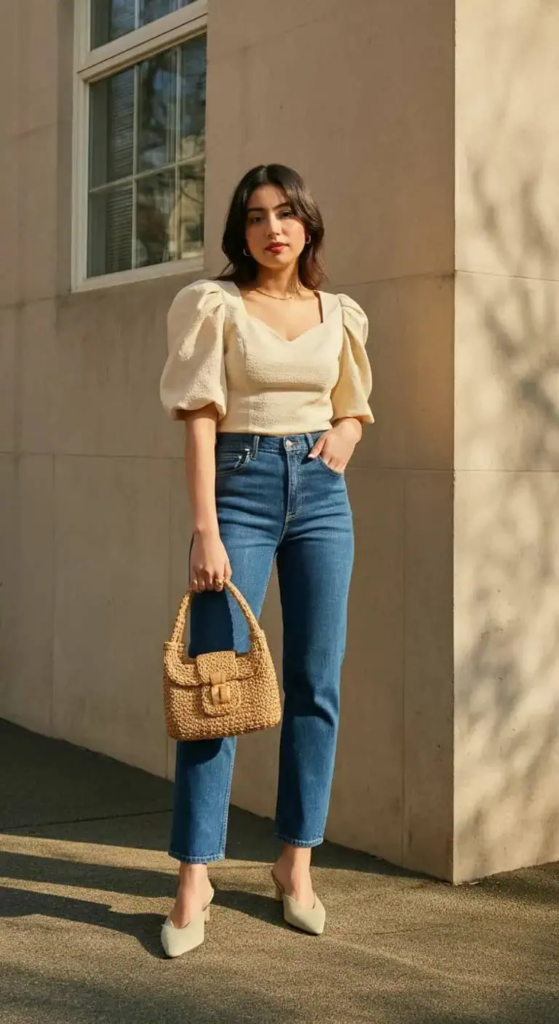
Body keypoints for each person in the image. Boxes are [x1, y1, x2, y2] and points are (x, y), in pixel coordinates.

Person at [159, 163, 374, 957]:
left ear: (308, 224)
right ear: (238, 232)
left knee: (317, 683)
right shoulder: (214, 305)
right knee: (215, 682)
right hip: (240, 491)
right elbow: (198, 417)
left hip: (320, 497)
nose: (271, 228)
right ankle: (193, 875)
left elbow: (352, 403)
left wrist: (344, 438)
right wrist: (204, 528)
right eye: (255, 217)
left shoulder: (337, 313)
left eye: (286, 214)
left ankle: (295, 863)